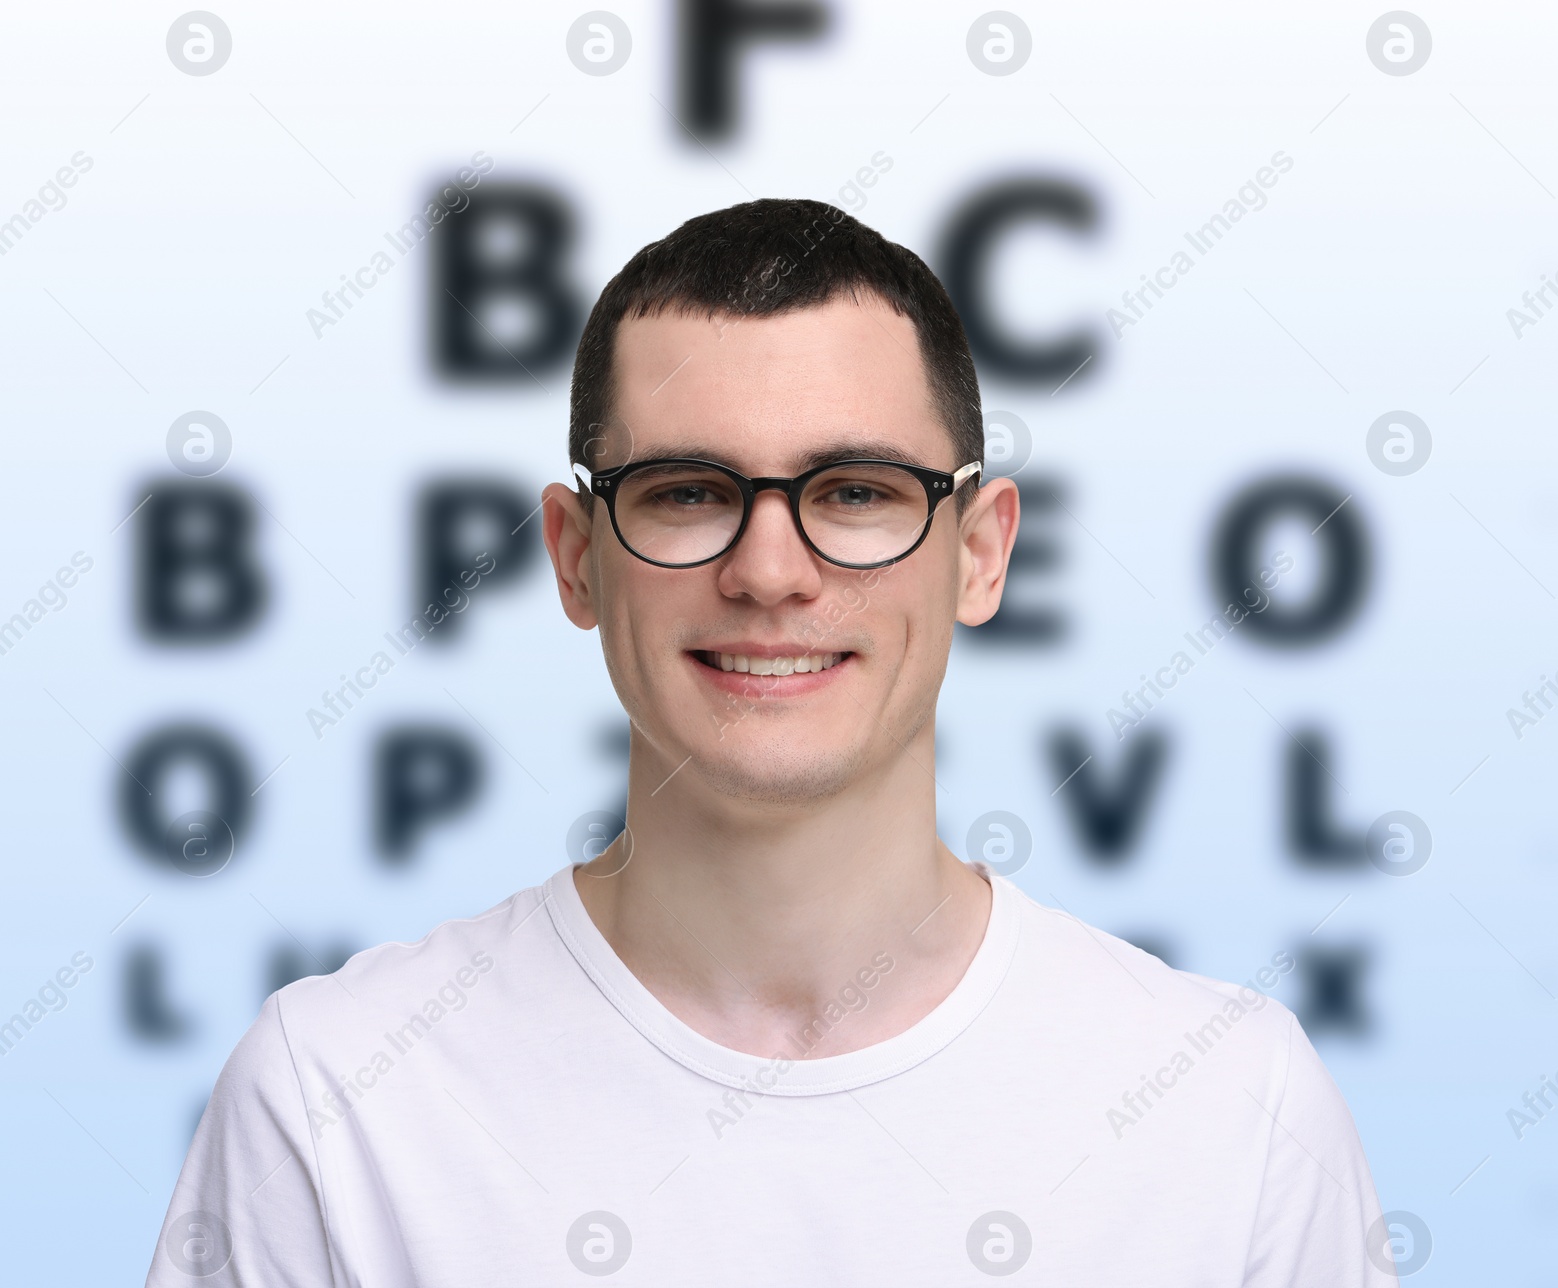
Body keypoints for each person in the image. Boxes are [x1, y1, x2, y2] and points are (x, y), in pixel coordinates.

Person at [146, 197, 1393, 1285]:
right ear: (577, 559)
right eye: (688, 491)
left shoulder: (1231, 1108)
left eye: (855, 491)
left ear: (981, 549)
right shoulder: (335, 1102)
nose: (770, 571)